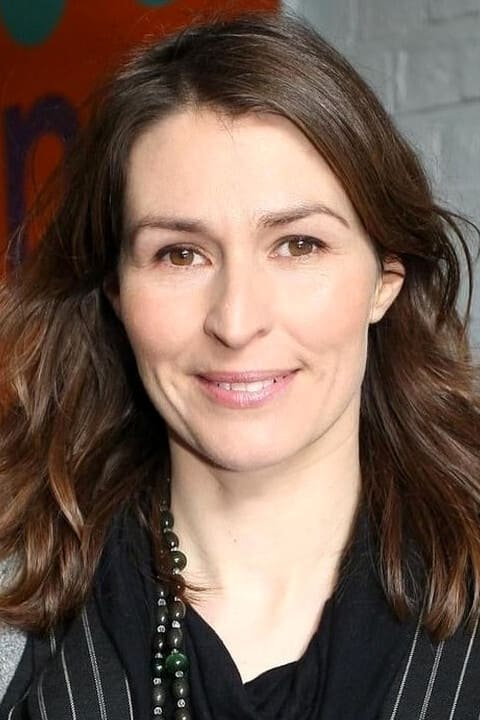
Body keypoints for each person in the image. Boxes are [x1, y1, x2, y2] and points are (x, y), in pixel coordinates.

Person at [1, 10, 480, 720]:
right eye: (180, 254)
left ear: (385, 280)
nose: (235, 321)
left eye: (299, 245)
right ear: (116, 292)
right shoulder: (15, 614)